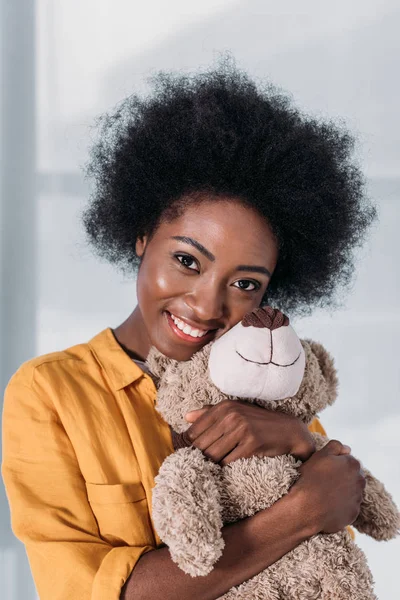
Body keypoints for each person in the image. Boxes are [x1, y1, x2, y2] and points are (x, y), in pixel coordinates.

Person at [2, 55, 375, 600]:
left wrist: (296, 440)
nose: (205, 305)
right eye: (188, 261)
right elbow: (98, 593)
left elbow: (333, 524)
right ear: (141, 235)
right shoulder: (51, 395)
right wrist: (296, 514)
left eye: (245, 284)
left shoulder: (271, 388)